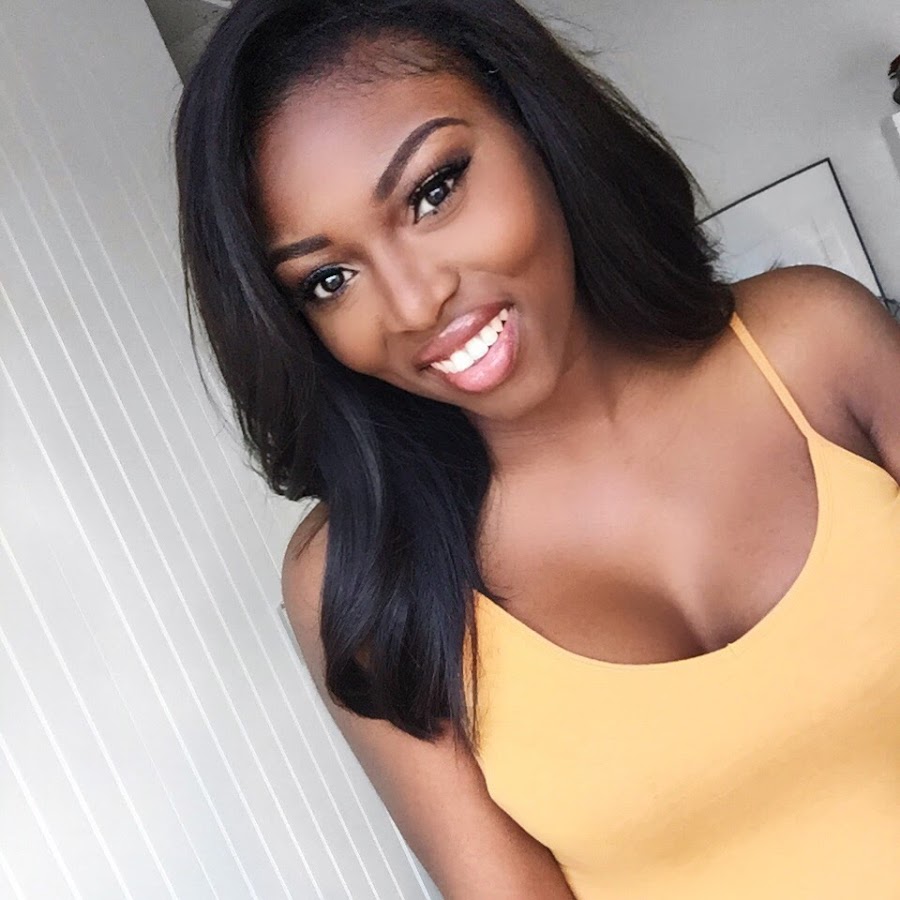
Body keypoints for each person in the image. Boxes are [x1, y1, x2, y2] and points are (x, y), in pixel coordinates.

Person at [174, 0, 900, 896]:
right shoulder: (370, 581)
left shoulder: (818, 344)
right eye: (329, 279)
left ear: (536, 124)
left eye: (433, 192)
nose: (413, 303)